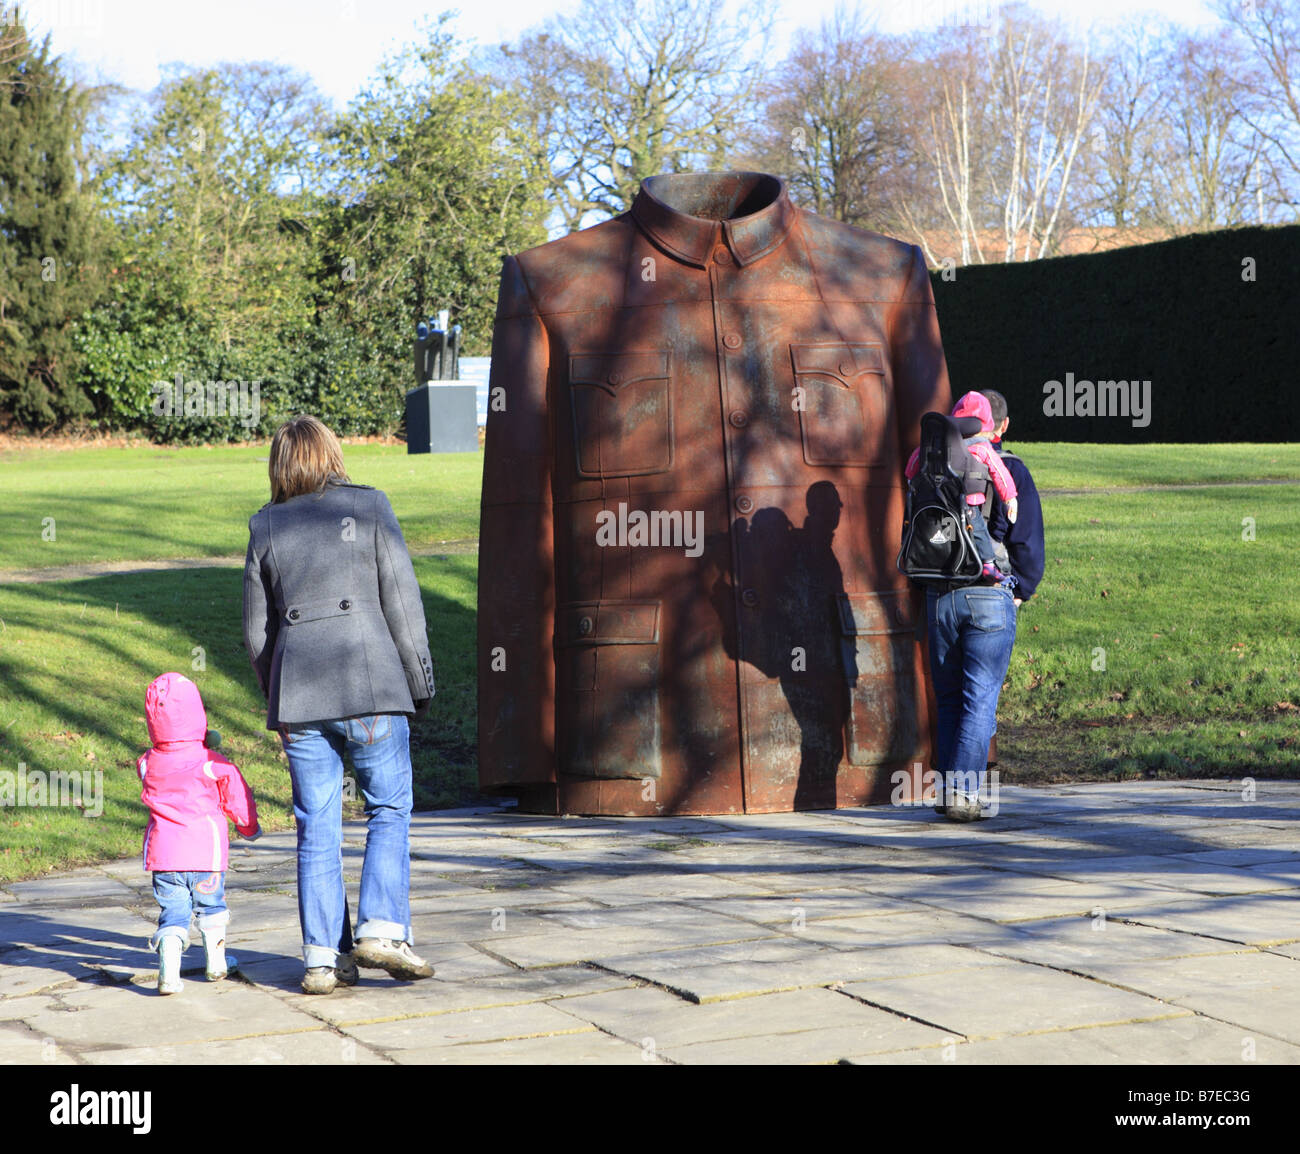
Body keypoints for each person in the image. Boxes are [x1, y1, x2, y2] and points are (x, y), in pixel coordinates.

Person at [242, 416, 436, 995]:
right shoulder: (371, 507)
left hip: (300, 696)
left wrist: (275, 694)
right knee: (388, 808)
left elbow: (257, 634)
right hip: (371, 685)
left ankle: (323, 959)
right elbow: (403, 606)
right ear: (332, 454)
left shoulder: (265, 526)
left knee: (316, 828)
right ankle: (381, 930)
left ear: (279, 465)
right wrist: (420, 682)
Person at [138, 671, 260, 995]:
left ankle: (168, 974)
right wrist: (249, 826)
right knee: (211, 905)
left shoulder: (147, 764)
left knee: (173, 912)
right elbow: (236, 792)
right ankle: (217, 962)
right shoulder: (211, 762)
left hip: (165, 857)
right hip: (206, 854)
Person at [905, 392, 1019, 587]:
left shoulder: (934, 445)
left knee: (942, 533)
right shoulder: (981, 448)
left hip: (938, 501)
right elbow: (999, 472)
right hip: (968, 504)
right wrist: (1010, 498)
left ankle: (933, 558)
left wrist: (911, 482)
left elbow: (915, 462)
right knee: (979, 532)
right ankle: (988, 563)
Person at [980, 389, 1045, 608]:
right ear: (1004, 424)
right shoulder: (1012, 469)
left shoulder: (940, 462)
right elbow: (1027, 541)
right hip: (991, 586)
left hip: (939, 585)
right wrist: (1021, 590)